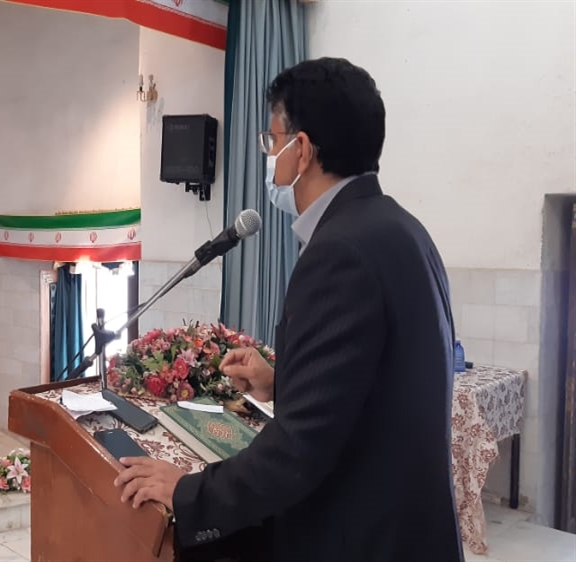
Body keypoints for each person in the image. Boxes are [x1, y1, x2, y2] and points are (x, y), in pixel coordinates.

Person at [115, 58, 462, 562]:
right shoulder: (402, 229)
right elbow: (379, 388)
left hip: (359, 537)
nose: (268, 154)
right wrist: (283, 384)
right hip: (408, 530)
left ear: (301, 149)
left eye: (271, 139)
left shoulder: (340, 251)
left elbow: (301, 450)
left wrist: (188, 493)